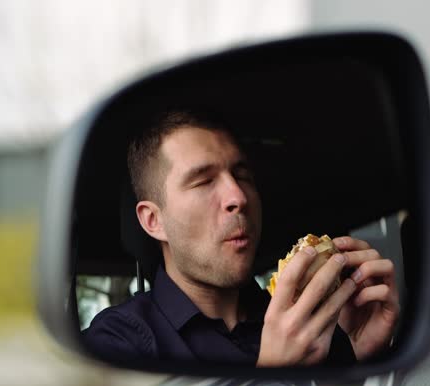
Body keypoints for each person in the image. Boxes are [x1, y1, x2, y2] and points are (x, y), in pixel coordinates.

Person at [81, 109, 399, 367]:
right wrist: (273, 374)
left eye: (242, 175)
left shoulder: (305, 323)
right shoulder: (118, 343)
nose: (238, 196)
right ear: (154, 221)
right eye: (203, 181)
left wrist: (359, 355)